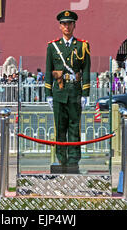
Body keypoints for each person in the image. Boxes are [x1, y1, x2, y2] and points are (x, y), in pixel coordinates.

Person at [44, 10, 91, 172]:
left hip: (75, 92)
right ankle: (61, 158)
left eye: (69, 23)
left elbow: (85, 70)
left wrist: (85, 94)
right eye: (64, 24)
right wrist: (48, 94)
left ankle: (73, 159)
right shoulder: (52, 46)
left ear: (74, 25)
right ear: (60, 26)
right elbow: (48, 70)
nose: (67, 26)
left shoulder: (83, 45)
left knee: (74, 126)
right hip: (59, 92)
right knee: (60, 126)